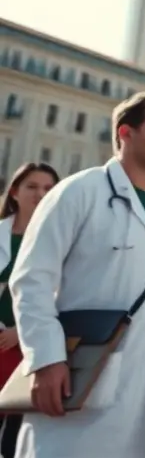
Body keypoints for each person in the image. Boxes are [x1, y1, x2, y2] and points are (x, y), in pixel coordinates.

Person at [9, 90, 145, 458]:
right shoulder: (78, 192)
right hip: (77, 374)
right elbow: (32, 278)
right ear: (126, 132)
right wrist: (48, 358)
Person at [0, 163, 59, 458]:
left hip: (29, 352)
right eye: (32, 187)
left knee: (14, 430)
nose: (40, 194)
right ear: (14, 192)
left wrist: (18, 332)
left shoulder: (62, 239)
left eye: (48, 189)